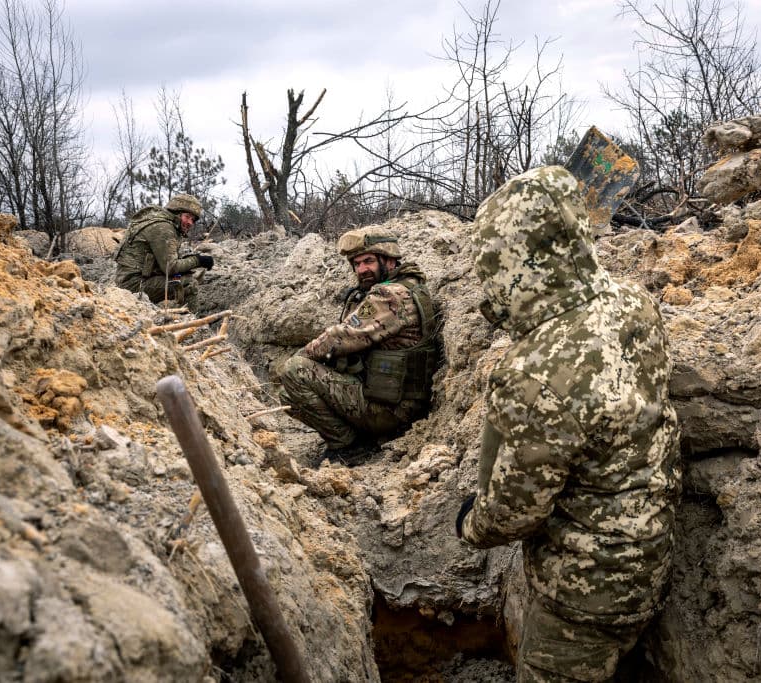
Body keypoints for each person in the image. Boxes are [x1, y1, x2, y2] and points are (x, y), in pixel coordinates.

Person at [454, 130, 681, 682]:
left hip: (584, 593)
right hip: (653, 553)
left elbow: (515, 511)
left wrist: (471, 525)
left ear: (511, 263)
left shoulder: (531, 372)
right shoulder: (635, 303)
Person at [278, 226, 439, 463]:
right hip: (396, 402)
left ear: (390, 259)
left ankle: (350, 446)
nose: (362, 269)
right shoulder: (409, 286)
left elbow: (340, 338)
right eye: (357, 263)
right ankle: (359, 437)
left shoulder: (390, 295)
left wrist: (305, 355)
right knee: (289, 396)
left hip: (389, 411)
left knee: (294, 370)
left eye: (369, 261)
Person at [113, 193, 214, 306]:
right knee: (189, 283)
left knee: (180, 277)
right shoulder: (164, 228)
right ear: (177, 213)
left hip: (132, 280)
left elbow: (167, 261)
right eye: (187, 217)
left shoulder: (161, 223)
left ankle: (171, 311)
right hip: (134, 285)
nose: (190, 222)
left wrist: (191, 261)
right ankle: (189, 316)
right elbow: (171, 267)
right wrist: (198, 260)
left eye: (193, 219)